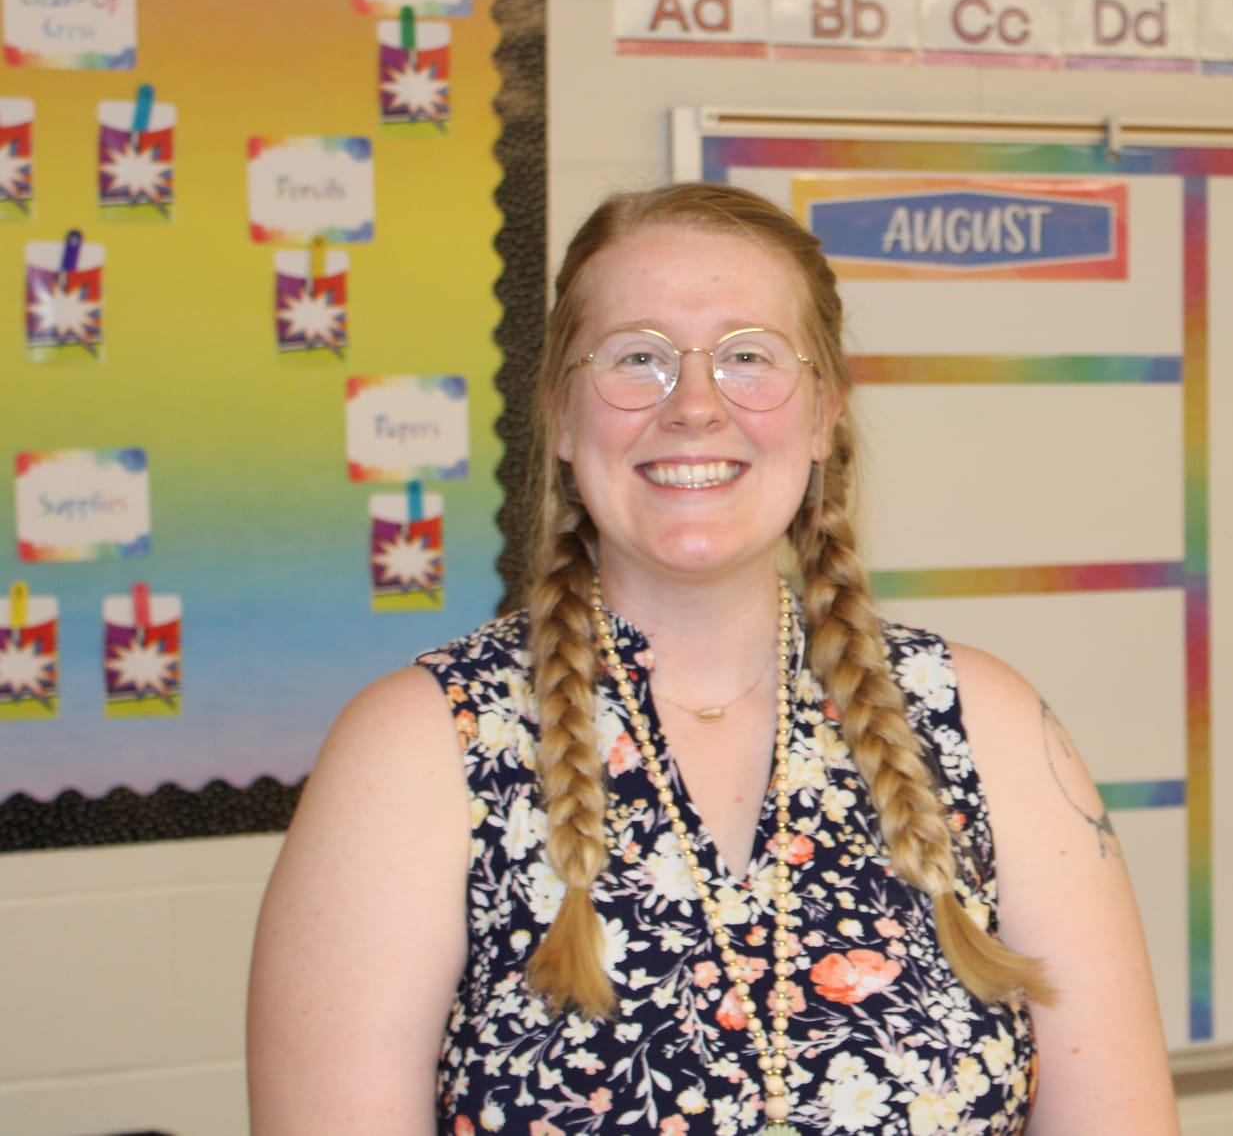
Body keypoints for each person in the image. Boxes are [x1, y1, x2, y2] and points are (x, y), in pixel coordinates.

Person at [247, 183, 1179, 1135]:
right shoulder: (417, 749)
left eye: (747, 358)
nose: (694, 405)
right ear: (563, 417)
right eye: (638, 359)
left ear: (823, 416)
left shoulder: (985, 726)